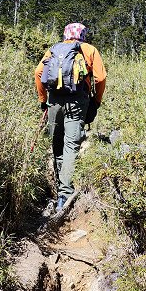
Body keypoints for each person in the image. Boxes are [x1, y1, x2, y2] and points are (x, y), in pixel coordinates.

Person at [34, 22, 106, 212]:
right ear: (83, 34)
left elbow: (38, 72)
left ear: (65, 34)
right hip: (77, 102)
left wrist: (43, 100)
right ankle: (66, 193)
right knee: (71, 146)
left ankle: (60, 191)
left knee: (57, 145)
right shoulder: (89, 49)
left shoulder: (55, 50)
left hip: (54, 102)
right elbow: (100, 78)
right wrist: (96, 101)